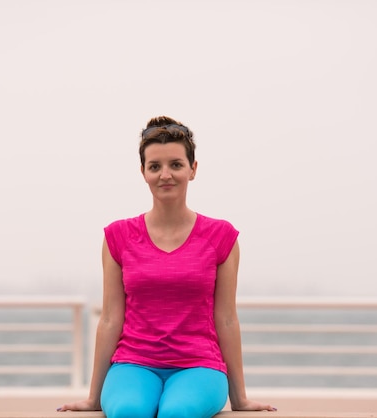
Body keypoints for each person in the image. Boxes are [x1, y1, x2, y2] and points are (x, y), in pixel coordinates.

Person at [58, 116, 275, 417]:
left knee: (177, 412)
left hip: (200, 366)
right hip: (132, 364)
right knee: (128, 412)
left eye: (176, 164)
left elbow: (226, 319)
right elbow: (109, 319)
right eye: (155, 166)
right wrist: (94, 398)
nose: (165, 175)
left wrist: (240, 399)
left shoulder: (221, 236)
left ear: (192, 169)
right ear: (143, 172)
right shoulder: (118, 237)